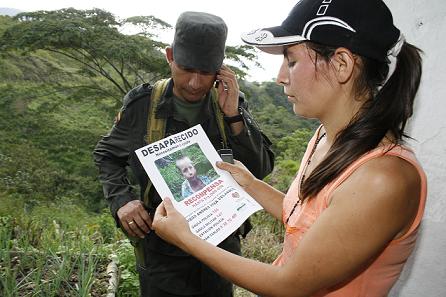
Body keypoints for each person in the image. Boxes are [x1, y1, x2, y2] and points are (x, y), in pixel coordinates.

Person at [151, 0, 427, 296]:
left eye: (291, 60)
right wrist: (251, 184)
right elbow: (304, 218)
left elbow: (289, 284)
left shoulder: (382, 179)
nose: (280, 76)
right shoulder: (325, 137)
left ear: (342, 64)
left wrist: (186, 238)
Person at [93, 11, 274, 297]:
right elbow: (107, 156)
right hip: (163, 252)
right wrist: (122, 201)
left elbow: (259, 170)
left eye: (205, 72)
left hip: (220, 247)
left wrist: (234, 117)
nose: (194, 82)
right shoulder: (144, 105)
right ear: (170, 57)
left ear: (220, 69)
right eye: (187, 69)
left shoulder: (230, 104)